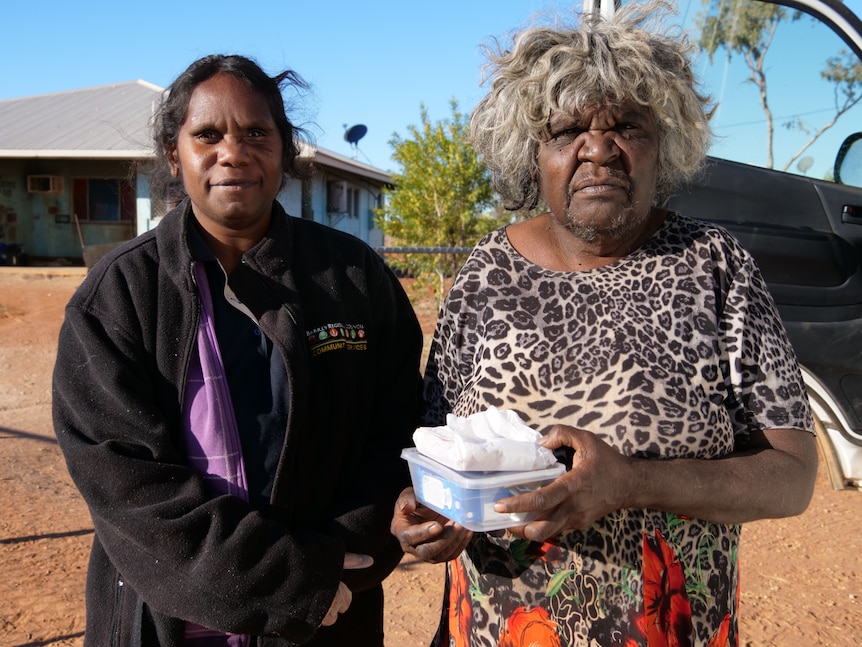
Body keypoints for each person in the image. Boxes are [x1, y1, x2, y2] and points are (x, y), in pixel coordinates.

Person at [390, 2, 819, 645]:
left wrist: (630, 482)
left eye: (627, 126)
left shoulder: (716, 266)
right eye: (566, 131)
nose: (599, 150)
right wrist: (430, 513)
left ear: (663, 144)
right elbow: (438, 450)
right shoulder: (484, 274)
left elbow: (793, 476)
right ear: (531, 153)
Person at [52, 54, 423, 647]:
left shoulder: (352, 277)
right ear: (175, 156)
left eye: (256, 133)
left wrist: (342, 557)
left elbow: (397, 426)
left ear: (284, 149)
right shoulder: (120, 293)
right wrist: (287, 579)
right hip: (170, 622)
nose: (234, 152)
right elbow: (123, 481)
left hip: (332, 610)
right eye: (207, 134)